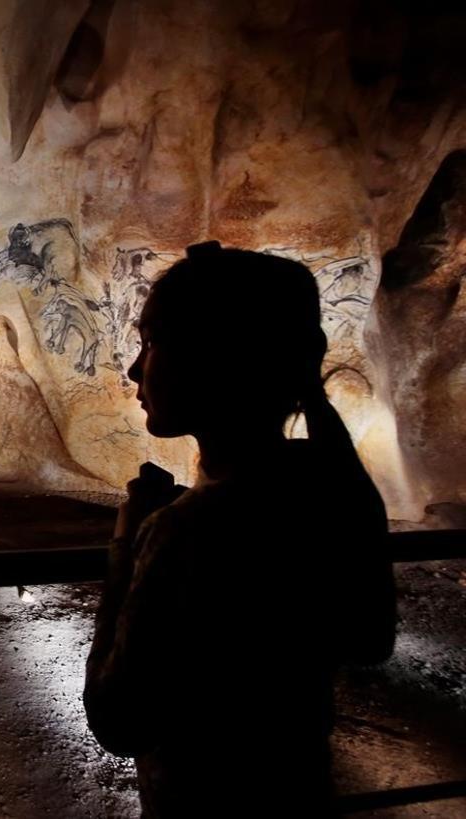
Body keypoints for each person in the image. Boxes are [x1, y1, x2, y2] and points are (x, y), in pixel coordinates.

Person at [84, 241, 396, 817]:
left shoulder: (189, 528)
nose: (134, 368)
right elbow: (370, 639)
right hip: (296, 789)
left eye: (151, 342)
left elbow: (119, 719)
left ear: (212, 358)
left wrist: (128, 543)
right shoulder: (332, 487)